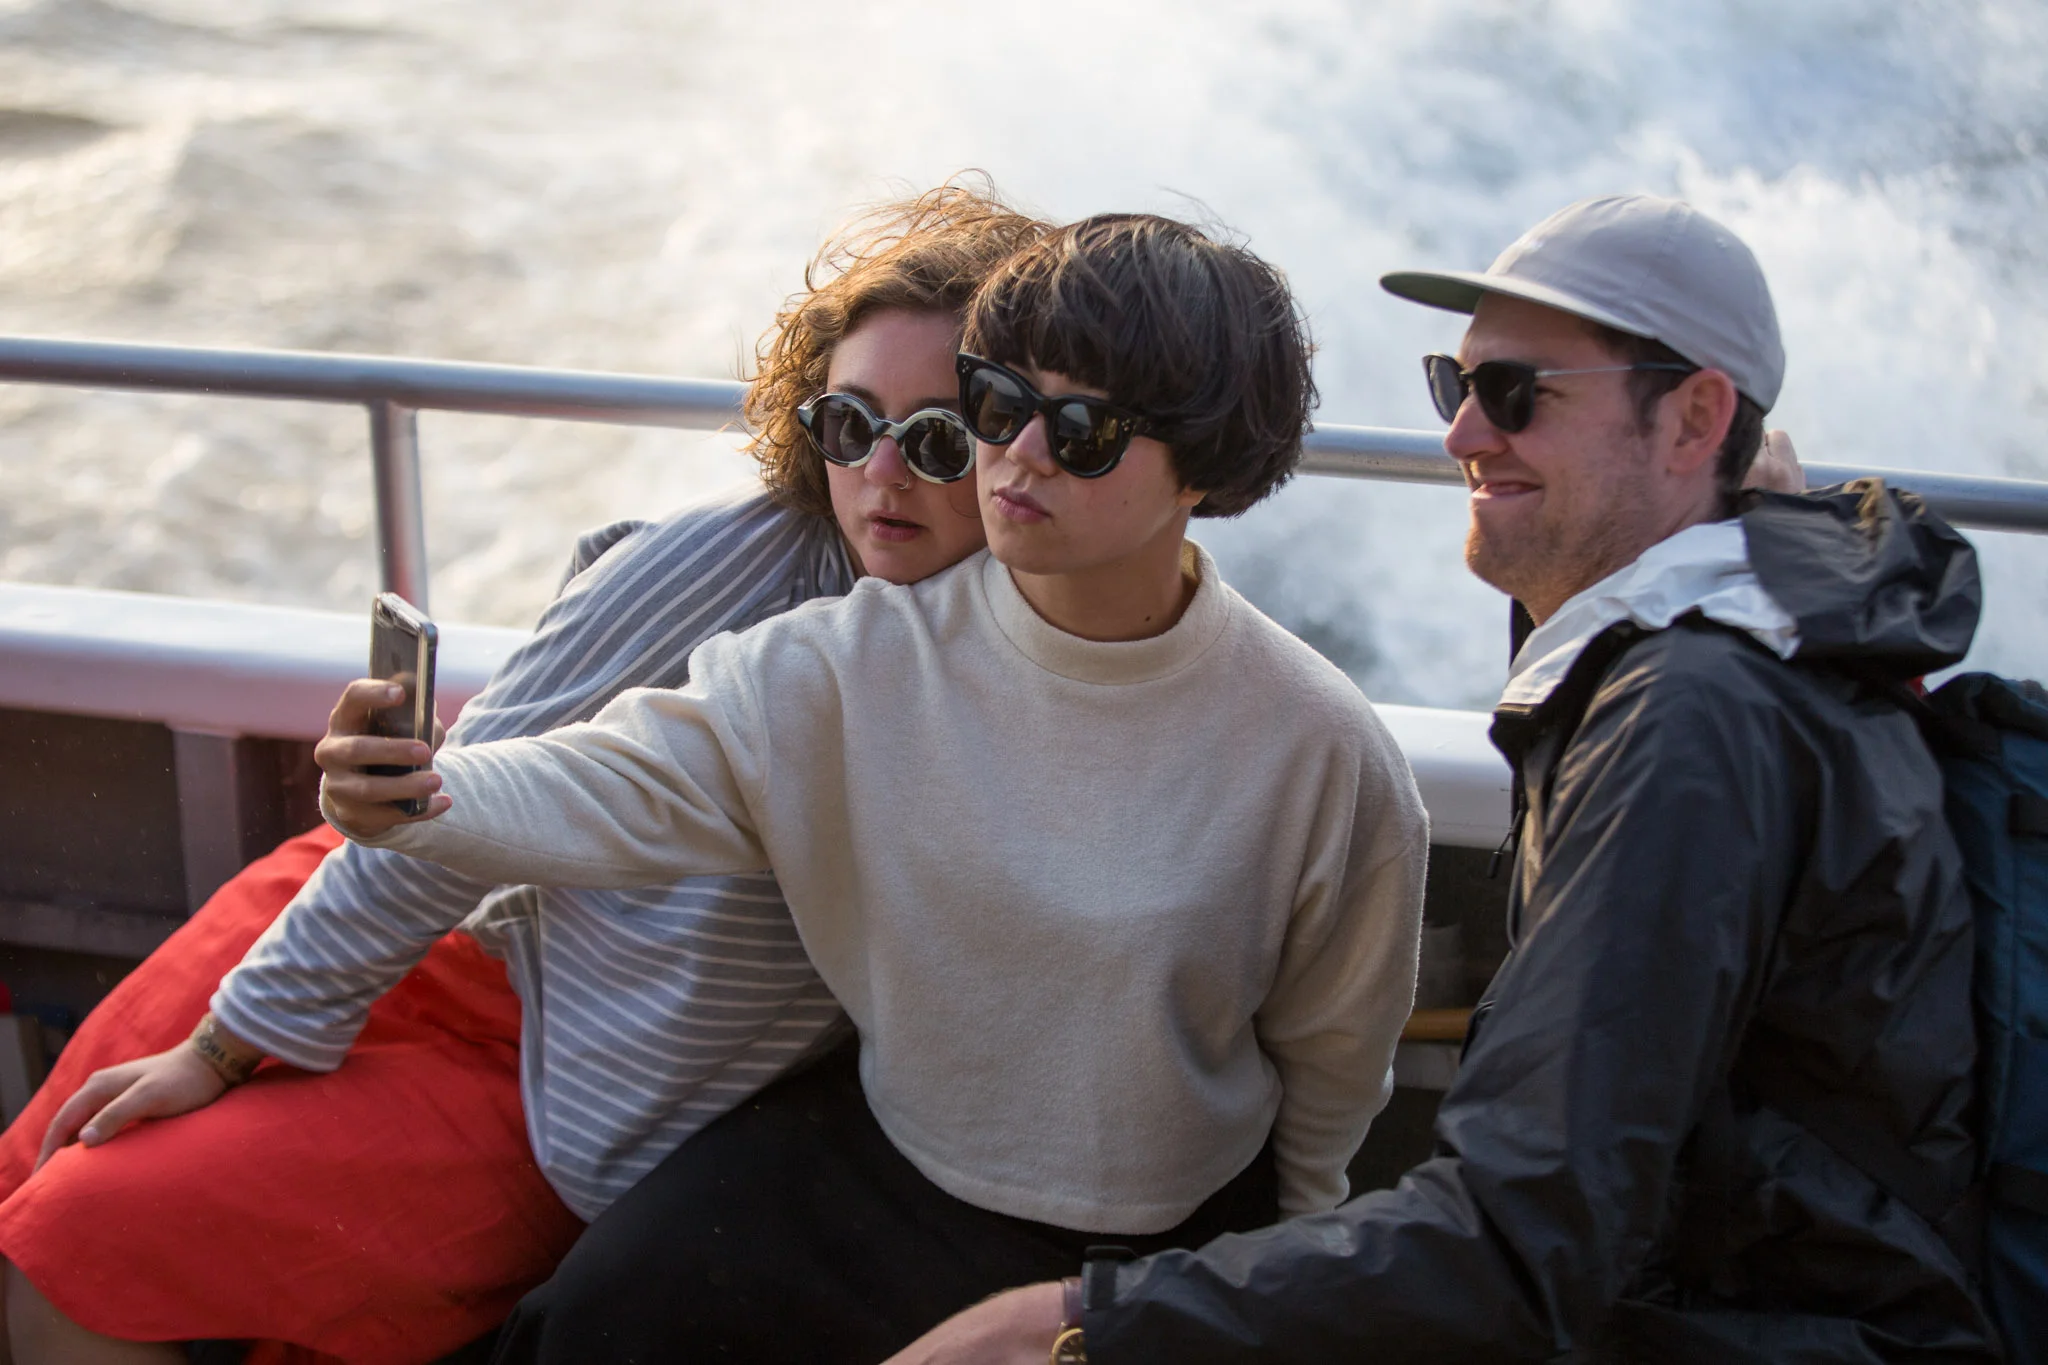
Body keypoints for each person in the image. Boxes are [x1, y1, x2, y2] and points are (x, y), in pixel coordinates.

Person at [888, 195, 2001, 1363]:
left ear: (1693, 419)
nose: (1462, 435)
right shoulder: (1746, 640)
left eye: (1516, 394)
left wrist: (1078, 1326)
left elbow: (1521, 1245)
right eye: (1453, 386)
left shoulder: (1690, 723)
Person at [311, 212, 1431, 1364]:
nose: (1019, 453)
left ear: (1207, 466)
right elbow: (621, 777)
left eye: (1082, 431)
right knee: (584, 1330)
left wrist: (1272, 1276)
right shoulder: (850, 663)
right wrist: (418, 795)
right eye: (996, 402)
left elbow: (1334, 1057)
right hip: (893, 1157)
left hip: (1169, 1224)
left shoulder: (1318, 749)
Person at [3, 181, 1047, 1365]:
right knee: (47, 1222)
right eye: (848, 424)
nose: (882, 473)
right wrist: (228, 1044)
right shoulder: (739, 560)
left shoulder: (1048, 657)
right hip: (428, 946)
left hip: (565, 1082)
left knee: (78, 1245)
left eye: (936, 440)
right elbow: (468, 794)